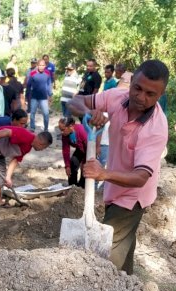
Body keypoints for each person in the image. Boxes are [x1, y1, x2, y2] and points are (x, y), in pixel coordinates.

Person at [68, 60, 169, 274]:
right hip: (114, 187)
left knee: (107, 256)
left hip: (133, 195)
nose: (141, 98)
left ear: (161, 94)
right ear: (131, 82)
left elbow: (141, 177)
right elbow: (75, 102)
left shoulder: (155, 128)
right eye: (138, 89)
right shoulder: (117, 97)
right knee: (124, 245)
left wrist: (102, 173)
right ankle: (128, 286)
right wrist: (88, 112)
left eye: (151, 94)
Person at [0, 127, 53, 206]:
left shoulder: (28, 147)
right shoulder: (25, 135)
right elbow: (6, 132)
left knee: (1, 174)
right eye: (44, 148)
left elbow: (15, 160)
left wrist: (8, 178)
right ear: (41, 144)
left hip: (0, 153)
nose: (42, 150)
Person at [58, 116, 98, 187]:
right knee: (72, 162)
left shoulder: (81, 130)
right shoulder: (65, 135)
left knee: (85, 169)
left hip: (90, 150)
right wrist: (67, 166)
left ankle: (81, 187)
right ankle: (72, 187)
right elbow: (65, 150)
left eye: (63, 129)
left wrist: (84, 162)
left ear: (70, 126)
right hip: (80, 149)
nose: (61, 132)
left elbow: (88, 148)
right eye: (60, 130)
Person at [26, 59, 52, 132]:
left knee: (46, 114)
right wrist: (26, 96)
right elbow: (28, 85)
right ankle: (32, 128)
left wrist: (50, 94)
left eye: (43, 65)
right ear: (37, 65)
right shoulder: (32, 73)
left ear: (45, 66)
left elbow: (49, 84)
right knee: (32, 113)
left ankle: (46, 128)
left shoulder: (47, 73)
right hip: (34, 97)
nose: (41, 67)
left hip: (43, 98)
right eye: (40, 65)